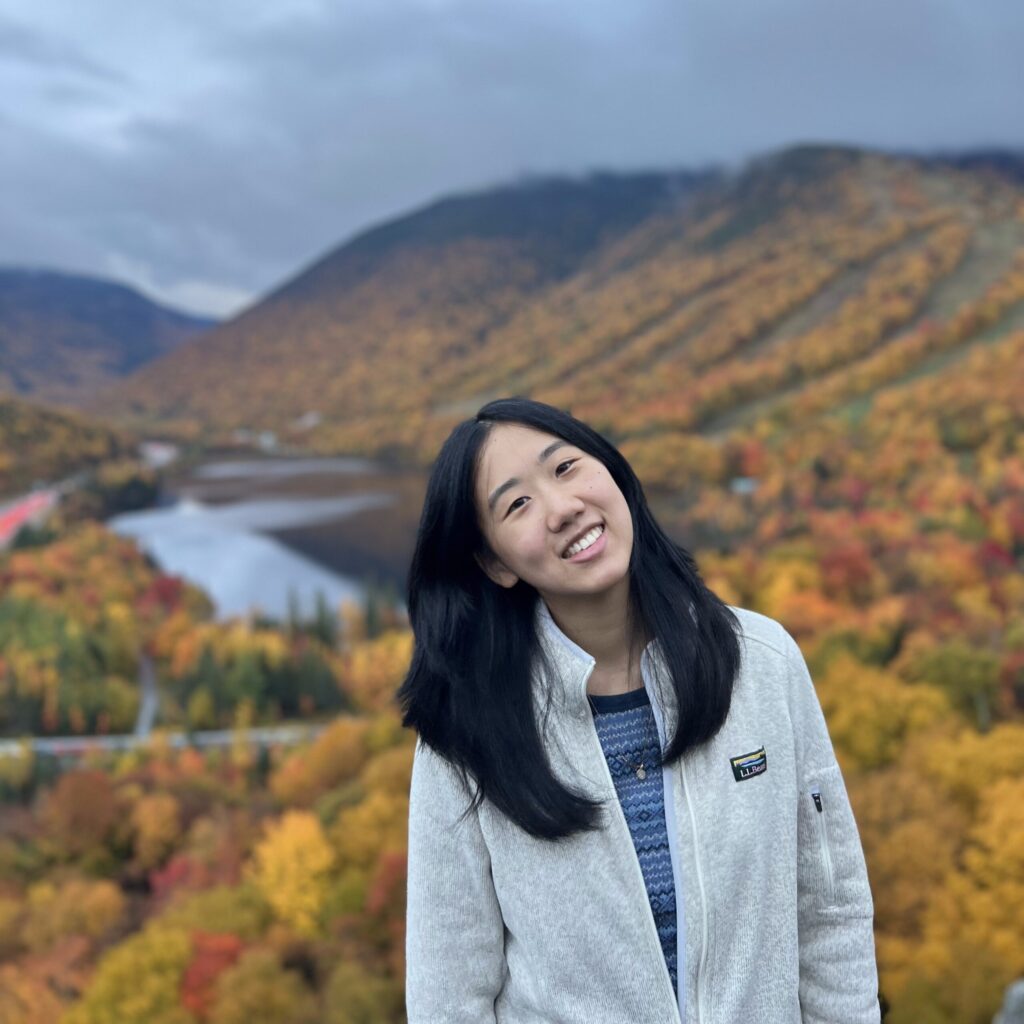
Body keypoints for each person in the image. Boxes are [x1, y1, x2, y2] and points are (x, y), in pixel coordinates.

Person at [399, 397, 880, 1024]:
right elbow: (448, 997)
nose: (562, 508)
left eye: (566, 468)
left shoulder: (762, 664)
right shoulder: (464, 736)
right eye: (517, 504)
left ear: (612, 473)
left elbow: (831, 909)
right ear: (495, 562)